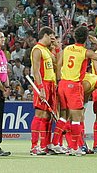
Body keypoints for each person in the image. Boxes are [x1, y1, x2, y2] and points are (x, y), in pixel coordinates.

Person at [54, 26, 97, 156]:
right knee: (77, 119)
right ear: (86, 39)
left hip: (62, 84)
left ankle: (55, 144)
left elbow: (59, 64)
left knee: (63, 116)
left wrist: (59, 79)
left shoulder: (67, 48)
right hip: (74, 85)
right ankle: (74, 147)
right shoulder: (85, 52)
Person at [31, 27, 60, 155]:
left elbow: (57, 63)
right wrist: (40, 88)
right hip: (42, 83)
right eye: (51, 37)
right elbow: (36, 70)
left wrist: (56, 47)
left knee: (48, 116)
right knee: (40, 114)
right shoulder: (37, 50)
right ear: (46, 35)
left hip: (51, 84)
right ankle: (34, 146)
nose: (52, 39)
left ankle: (45, 145)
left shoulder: (46, 50)